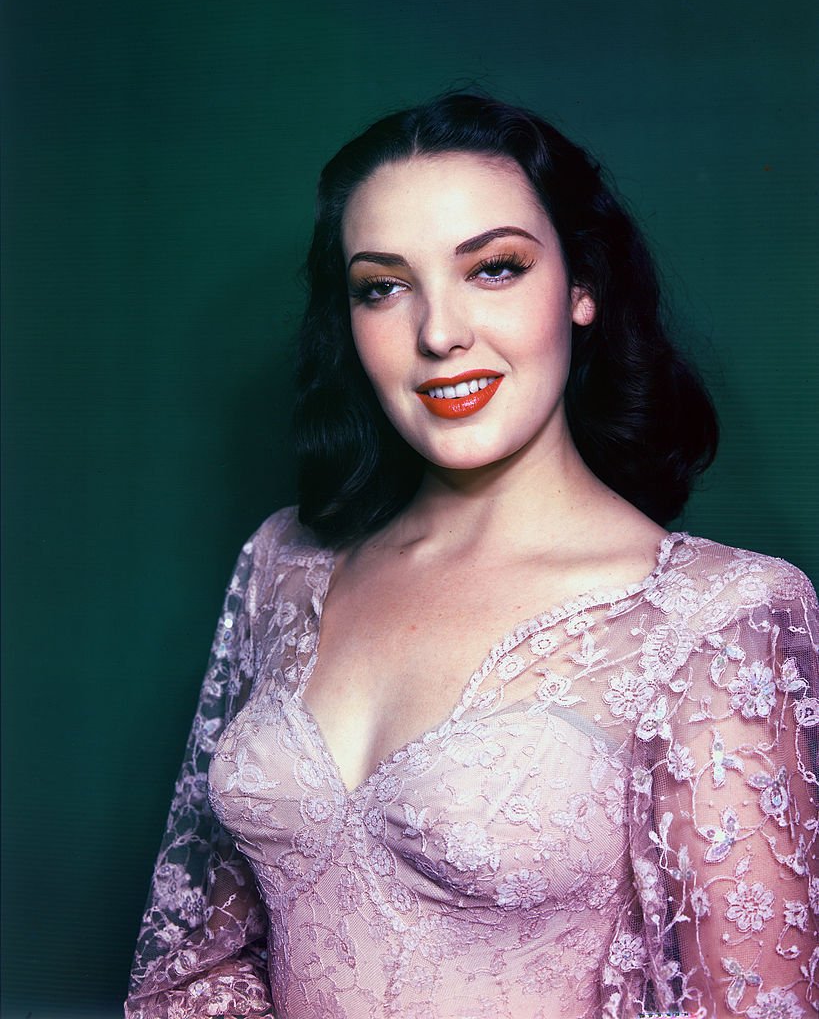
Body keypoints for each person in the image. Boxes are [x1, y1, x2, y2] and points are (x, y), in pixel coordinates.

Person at [125, 94, 818, 1019]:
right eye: (383, 285)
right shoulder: (283, 564)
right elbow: (193, 969)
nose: (438, 332)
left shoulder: (715, 616)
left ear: (582, 286)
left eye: (493, 269)